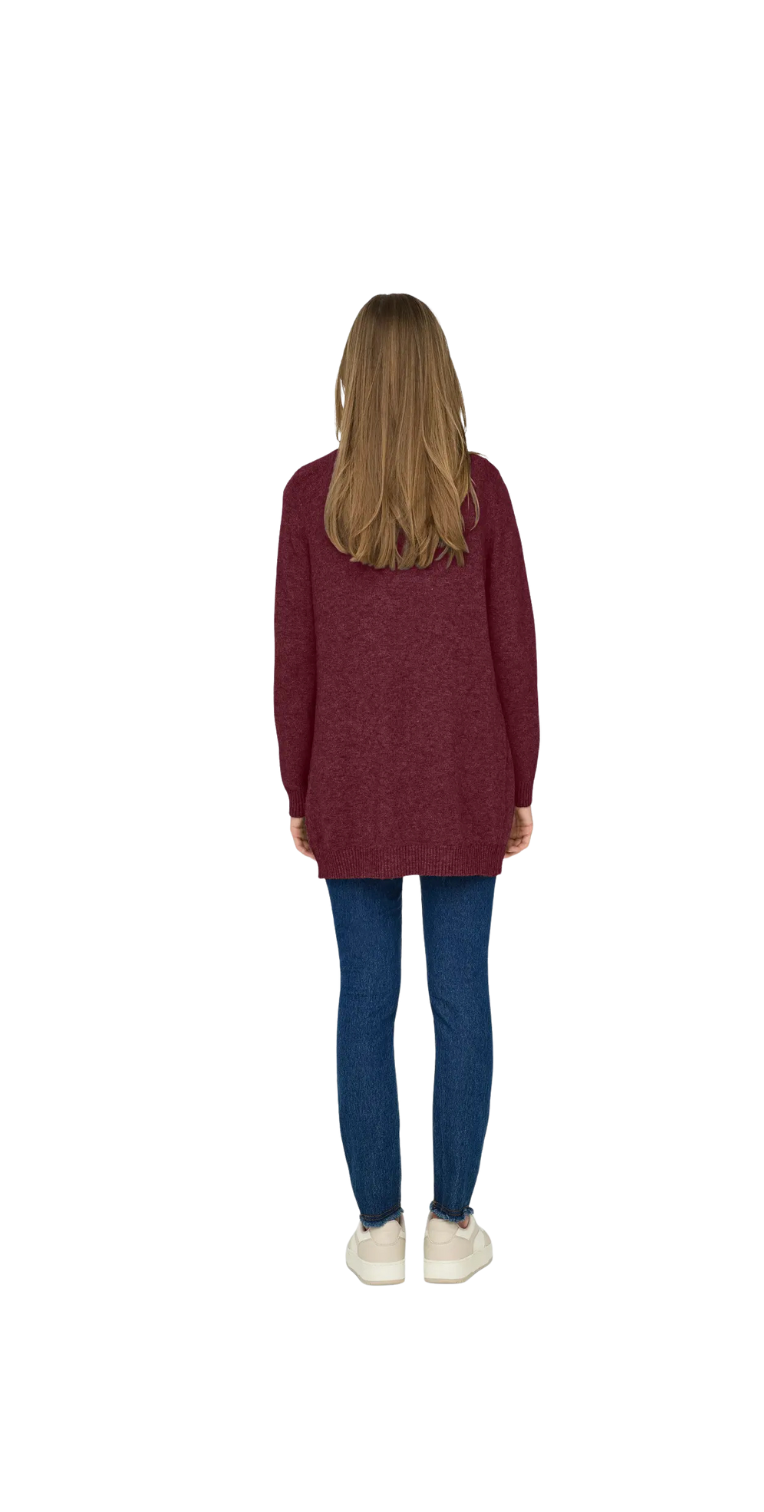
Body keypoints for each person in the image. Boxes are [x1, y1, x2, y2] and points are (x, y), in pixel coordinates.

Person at [273, 294, 538, 1285]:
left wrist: (299, 785)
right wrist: (520, 778)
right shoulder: (479, 493)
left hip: (349, 780)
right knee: (461, 997)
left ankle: (377, 1231)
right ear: (439, 378)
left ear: (354, 378)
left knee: (365, 1000)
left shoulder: (310, 498)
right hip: (466, 776)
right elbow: (515, 649)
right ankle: (451, 1229)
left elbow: (292, 662)